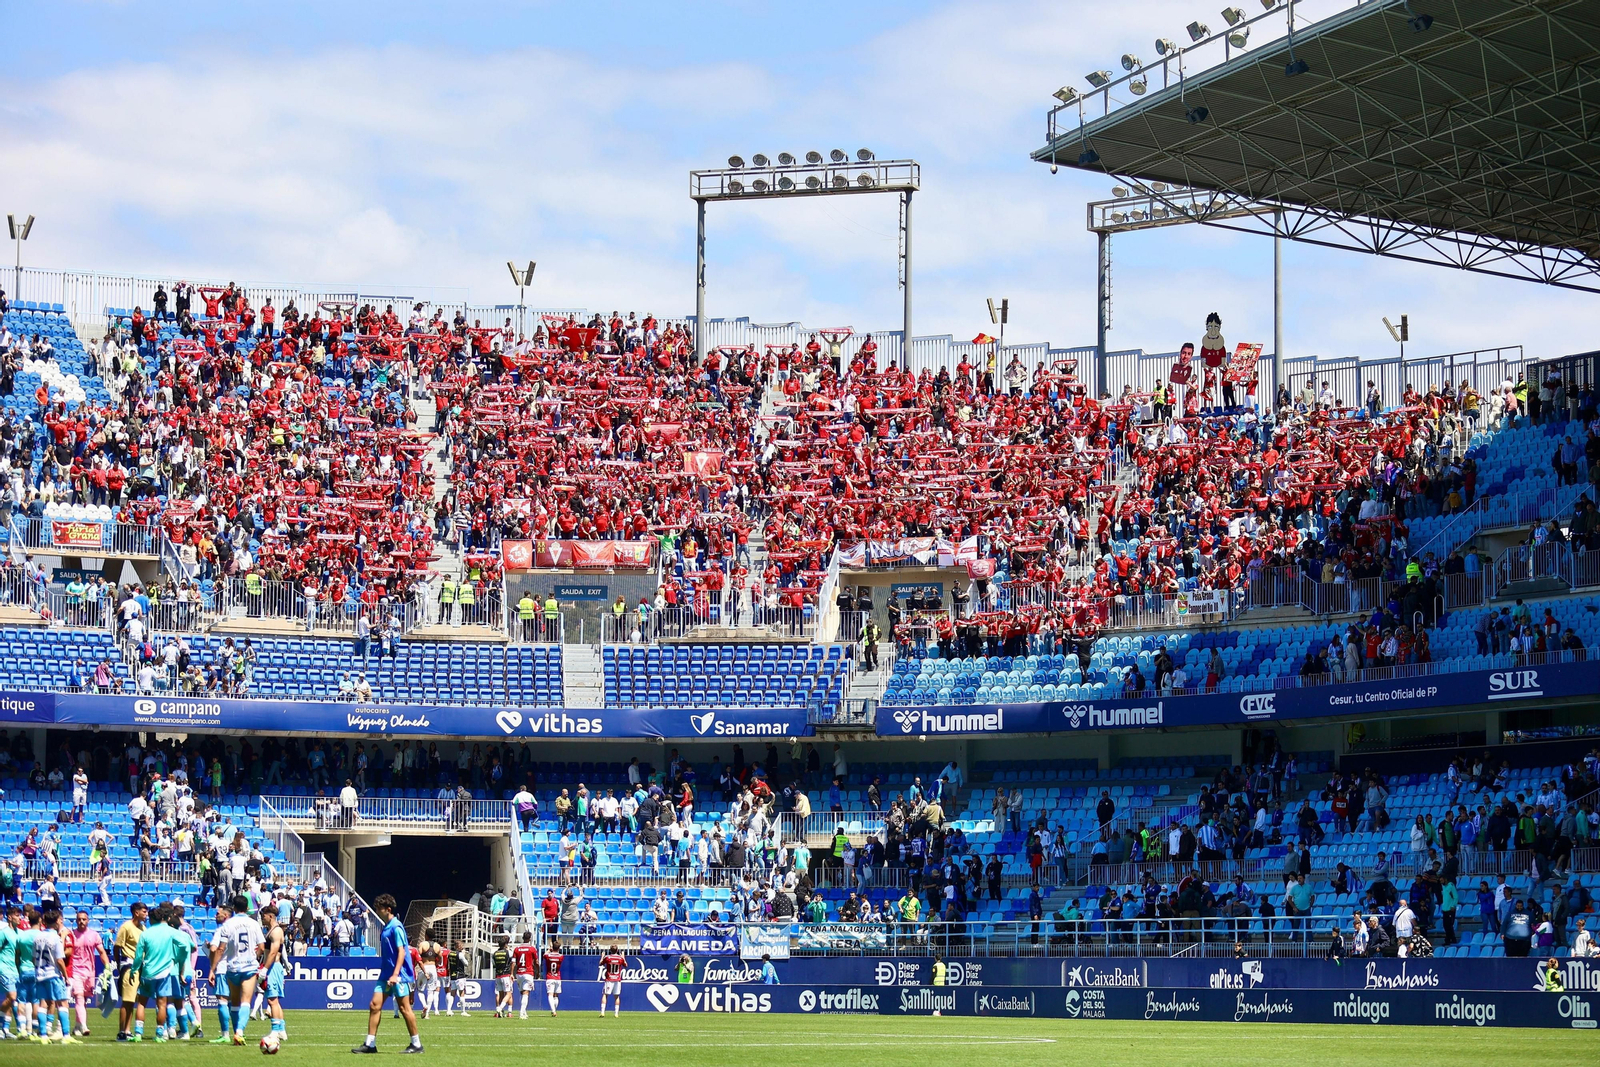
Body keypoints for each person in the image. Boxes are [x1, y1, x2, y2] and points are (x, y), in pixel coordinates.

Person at [353, 893, 423, 1054]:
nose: (377, 912)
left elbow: (401, 952)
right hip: (386, 974)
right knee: (374, 1005)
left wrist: (395, 974)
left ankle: (417, 1044)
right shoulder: (386, 927)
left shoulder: (396, 927)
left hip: (398, 976)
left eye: (379, 909)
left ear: (388, 909)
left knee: (405, 1009)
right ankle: (370, 1044)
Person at [210, 894, 262, 1046]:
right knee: (246, 1001)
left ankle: (234, 1033)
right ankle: (239, 1032)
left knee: (234, 1001)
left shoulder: (228, 924)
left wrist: (213, 969)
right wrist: (254, 956)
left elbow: (220, 949)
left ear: (234, 908)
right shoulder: (254, 924)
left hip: (232, 966)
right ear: (247, 908)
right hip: (249, 966)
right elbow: (262, 947)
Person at [32, 906, 77, 1044]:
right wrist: (66, 976)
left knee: (43, 1003)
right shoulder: (55, 938)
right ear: (57, 921)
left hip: (39, 974)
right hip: (53, 974)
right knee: (62, 1003)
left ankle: (43, 1035)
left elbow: (33, 958)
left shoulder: (37, 937)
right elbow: (59, 960)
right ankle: (66, 1035)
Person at [67, 908, 109, 1038]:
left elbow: (102, 952)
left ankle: (77, 1026)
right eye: (79, 919)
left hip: (89, 972)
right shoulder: (71, 935)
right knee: (79, 997)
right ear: (76, 921)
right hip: (75, 971)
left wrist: (107, 966)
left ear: (88, 921)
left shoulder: (94, 935)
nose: (81, 922)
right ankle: (84, 1026)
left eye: (84, 919)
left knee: (83, 1000)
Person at [113, 900, 148, 1042]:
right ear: (136, 912)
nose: (146, 914)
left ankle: (127, 1030)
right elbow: (117, 947)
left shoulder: (143, 929)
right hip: (129, 966)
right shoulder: (126, 927)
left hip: (140, 967)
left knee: (133, 1000)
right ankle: (122, 1031)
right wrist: (118, 964)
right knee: (127, 1000)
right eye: (144, 911)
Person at [259, 904, 288, 1045]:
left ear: (270, 916)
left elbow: (273, 952)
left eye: (263, 916)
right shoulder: (271, 930)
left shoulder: (276, 932)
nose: (262, 919)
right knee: (275, 1000)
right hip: (273, 966)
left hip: (273, 967)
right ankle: (281, 1030)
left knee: (272, 1000)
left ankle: (275, 1031)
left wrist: (265, 968)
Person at [598, 944, 626, 1018]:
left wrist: (602, 956)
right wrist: (623, 956)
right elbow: (625, 965)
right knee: (616, 996)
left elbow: (600, 963)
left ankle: (602, 1012)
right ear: (617, 950)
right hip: (617, 979)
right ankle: (616, 1013)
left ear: (610, 950)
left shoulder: (608, 957)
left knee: (605, 995)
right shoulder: (620, 958)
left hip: (609, 979)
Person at [539, 938, 564, 1018]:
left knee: (550, 994)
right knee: (556, 995)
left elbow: (544, 955)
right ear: (559, 948)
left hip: (550, 977)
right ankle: (554, 1010)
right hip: (557, 977)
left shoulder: (548, 955)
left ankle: (553, 1011)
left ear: (552, 947)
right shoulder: (561, 956)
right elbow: (558, 954)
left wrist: (549, 949)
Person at [491, 935, 514, 1018]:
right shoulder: (509, 952)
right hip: (506, 975)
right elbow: (513, 962)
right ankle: (500, 1009)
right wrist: (511, 973)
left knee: (500, 994)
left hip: (498, 976)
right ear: (505, 944)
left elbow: (494, 964)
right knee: (508, 993)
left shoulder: (494, 954)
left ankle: (501, 1012)